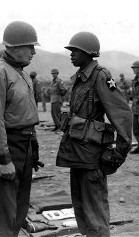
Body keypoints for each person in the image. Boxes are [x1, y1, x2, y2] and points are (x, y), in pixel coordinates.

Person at [56, 32, 132, 237]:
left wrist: (119, 153)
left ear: (89, 53)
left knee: (94, 210)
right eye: (70, 51)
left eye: (75, 51)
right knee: (80, 205)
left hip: (91, 155)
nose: (71, 55)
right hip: (77, 152)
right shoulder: (81, 77)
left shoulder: (101, 76)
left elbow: (122, 114)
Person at [0, 21, 42, 237]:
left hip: (22, 145)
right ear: (13, 47)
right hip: (4, 147)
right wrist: (4, 160)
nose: (33, 51)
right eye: (29, 46)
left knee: (19, 206)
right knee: (2, 211)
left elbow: (26, 114)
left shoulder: (21, 73)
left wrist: (33, 146)